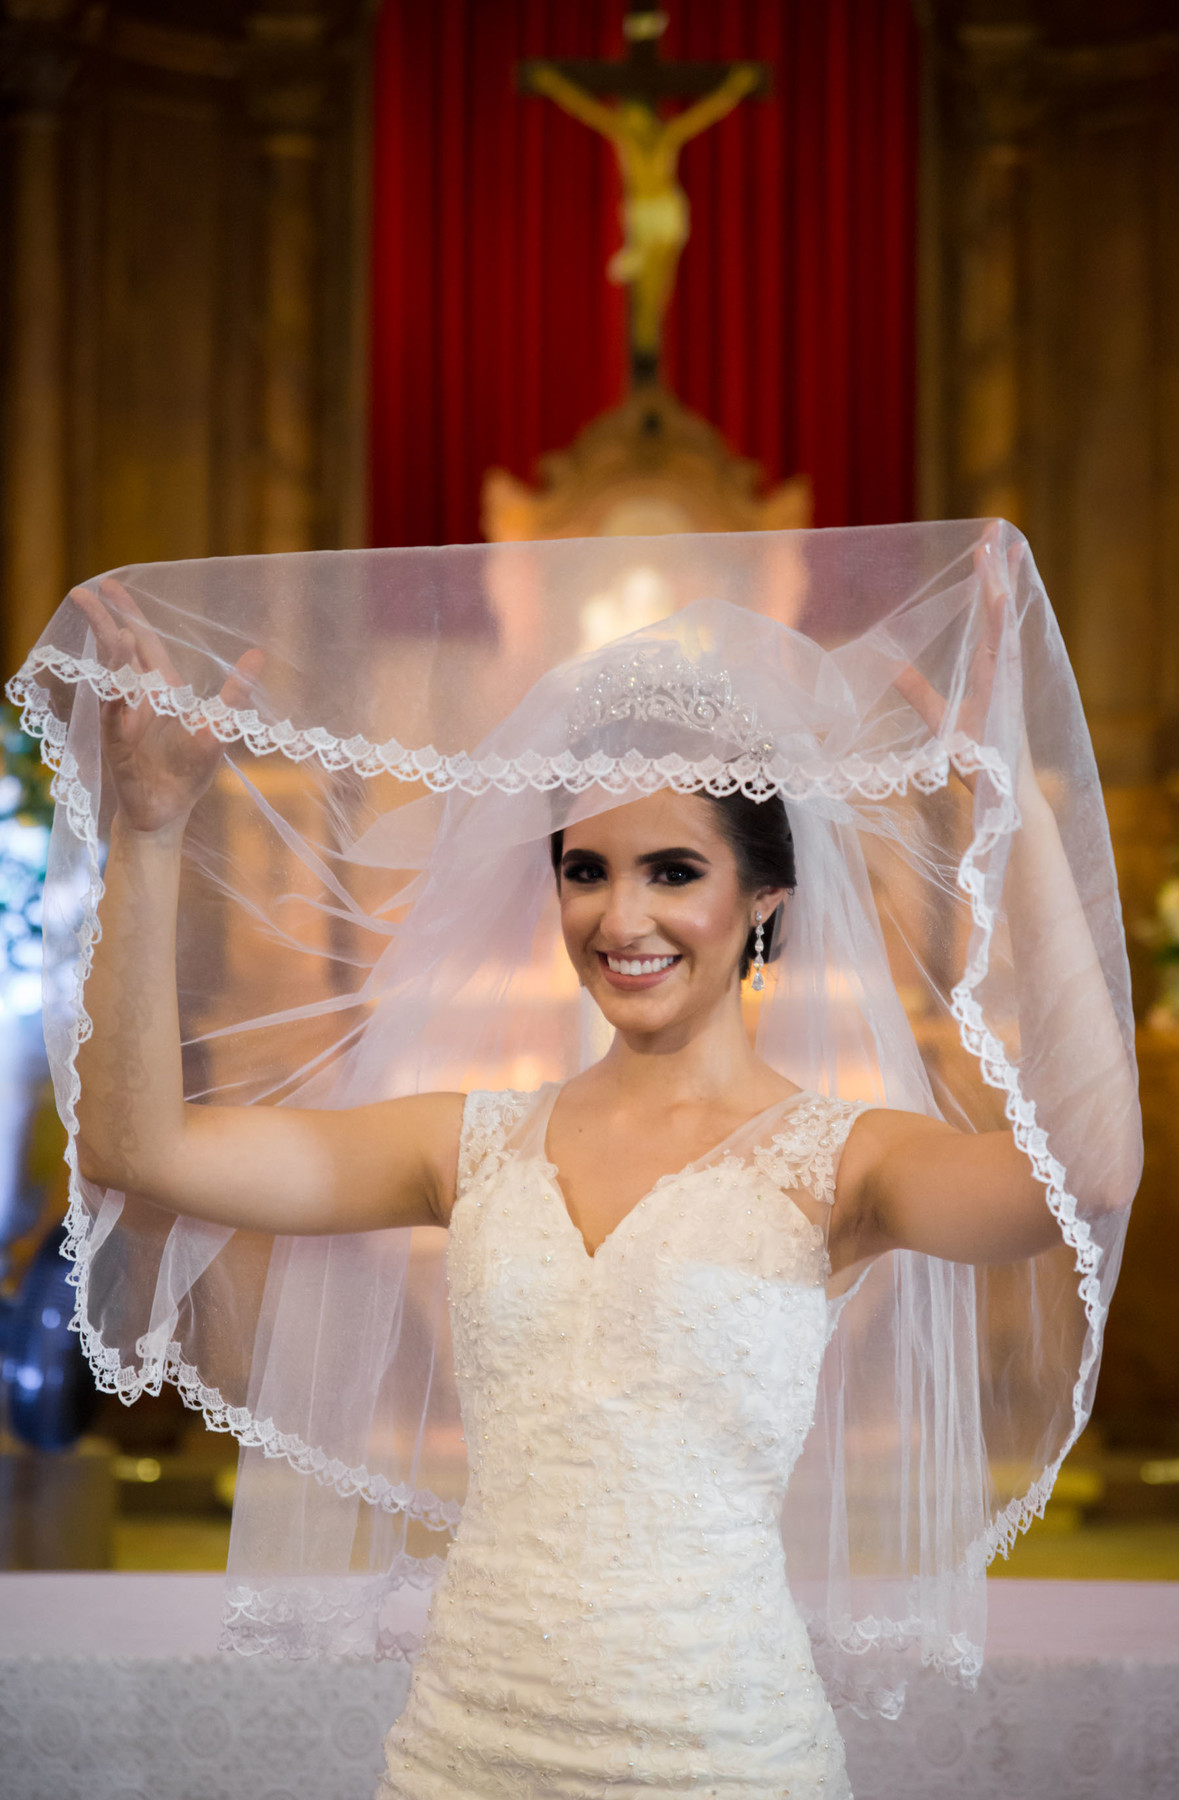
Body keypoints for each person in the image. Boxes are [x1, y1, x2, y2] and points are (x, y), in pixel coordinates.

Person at [9, 523, 1141, 1796]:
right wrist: (152, 831)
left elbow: (1085, 1176)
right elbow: (136, 1147)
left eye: (675, 871)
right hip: (467, 1755)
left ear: (763, 898)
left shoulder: (846, 1163)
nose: (622, 917)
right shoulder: (467, 1145)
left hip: (729, 1759)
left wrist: (1019, 807)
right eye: (586, 871)